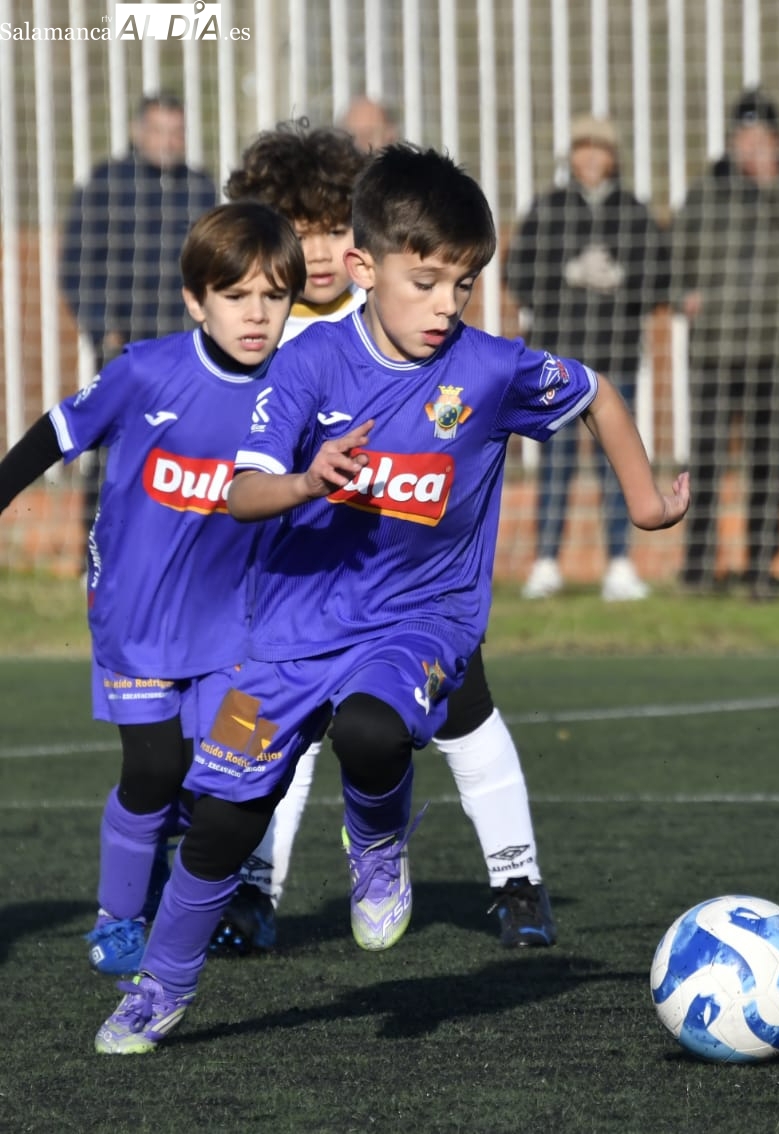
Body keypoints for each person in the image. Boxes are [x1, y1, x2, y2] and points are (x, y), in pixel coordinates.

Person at [93, 145, 689, 1054]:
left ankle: (377, 852)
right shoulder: (306, 367)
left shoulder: (489, 370)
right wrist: (303, 483)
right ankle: (159, 989)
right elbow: (240, 490)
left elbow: (598, 392)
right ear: (365, 269)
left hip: (422, 620)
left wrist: (645, 504)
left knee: (373, 731)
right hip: (287, 636)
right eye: (427, 281)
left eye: (465, 282)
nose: (448, 305)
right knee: (217, 825)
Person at [217, 122, 566, 954]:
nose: (326, 249)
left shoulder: (403, 320)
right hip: (299, 581)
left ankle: (515, 877)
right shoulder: (264, 334)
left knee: (466, 714)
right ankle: (248, 887)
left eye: (338, 228)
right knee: (264, 734)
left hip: (410, 579)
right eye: (302, 234)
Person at [0, 203, 302, 976]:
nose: (257, 314)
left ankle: (210, 890)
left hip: (239, 621)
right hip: (136, 616)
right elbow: (59, 432)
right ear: (197, 301)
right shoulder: (146, 371)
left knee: (231, 771)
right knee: (154, 770)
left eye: (274, 296)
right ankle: (117, 919)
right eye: (236, 296)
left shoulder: (297, 387)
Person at [672, 89, 779, 601]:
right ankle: (699, 569)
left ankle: (762, 566)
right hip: (715, 352)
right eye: (743, 138)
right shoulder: (707, 191)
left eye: (761, 139)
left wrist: (775, 183)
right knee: (708, 460)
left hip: (775, 350)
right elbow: (672, 254)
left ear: (777, 143)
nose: (751, 148)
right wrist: (682, 295)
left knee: (768, 461)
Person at [508, 114, 669, 603]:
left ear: (613, 156)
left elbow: (660, 277)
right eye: (583, 147)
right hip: (558, 360)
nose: (591, 157)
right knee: (554, 464)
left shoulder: (633, 212)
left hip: (615, 357)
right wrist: (567, 274)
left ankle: (620, 562)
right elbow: (519, 273)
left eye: (601, 147)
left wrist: (623, 280)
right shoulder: (549, 209)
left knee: (617, 463)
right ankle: (546, 562)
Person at [59, 92, 219, 571]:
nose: (169, 140)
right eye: (160, 129)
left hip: (186, 344)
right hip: (123, 345)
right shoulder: (106, 185)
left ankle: (181, 558)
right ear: (137, 131)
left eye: (177, 130)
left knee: (189, 446)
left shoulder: (200, 188)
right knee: (110, 448)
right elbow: (75, 265)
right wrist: (100, 326)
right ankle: (97, 559)